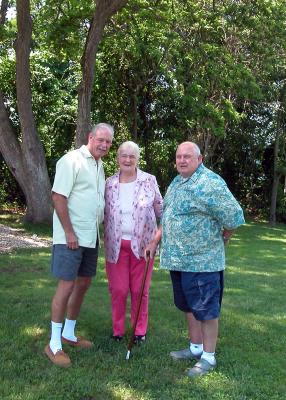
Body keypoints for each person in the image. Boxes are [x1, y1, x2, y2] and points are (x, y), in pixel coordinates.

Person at [147, 141, 245, 378]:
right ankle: (195, 347)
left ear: (199, 159)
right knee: (188, 306)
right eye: (179, 156)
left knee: (206, 310)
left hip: (203, 262)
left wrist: (224, 238)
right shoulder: (177, 182)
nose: (182, 160)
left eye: (187, 156)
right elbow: (168, 216)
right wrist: (155, 240)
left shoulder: (210, 183)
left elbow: (234, 216)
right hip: (178, 260)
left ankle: (209, 357)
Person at [44, 123, 114, 367]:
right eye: (100, 140)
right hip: (70, 237)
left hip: (90, 236)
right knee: (66, 286)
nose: (104, 145)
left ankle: (69, 333)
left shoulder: (99, 164)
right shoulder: (71, 160)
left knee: (83, 284)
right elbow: (58, 196)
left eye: (108, 142)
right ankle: (53, 344)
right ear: (90, 137)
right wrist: (69, 232)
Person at [104, 141, 163, 343]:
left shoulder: (149, 180)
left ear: (138, 158)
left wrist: (156, 239)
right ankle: (117, 330)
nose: (127, 160)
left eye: (132, 156)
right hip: (116, 246)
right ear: (118, 158)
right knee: (118, 290)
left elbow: (161, 212)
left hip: (144, 245)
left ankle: (139, 331)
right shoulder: (109, 183)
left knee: (139, 290)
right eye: (123, 155)